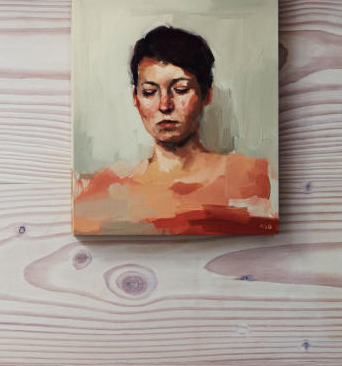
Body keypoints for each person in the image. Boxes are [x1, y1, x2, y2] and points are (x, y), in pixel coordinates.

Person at [73, 25, 278, 236]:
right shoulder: (109, 189)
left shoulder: (254, 177)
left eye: (181, 89)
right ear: (136, 99)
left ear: (206, 94)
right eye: (150, 92)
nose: (165, 105)